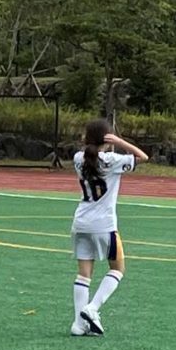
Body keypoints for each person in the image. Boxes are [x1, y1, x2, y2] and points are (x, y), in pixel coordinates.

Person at [70, 118, 149, 336]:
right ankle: (92, 308)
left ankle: (78, 324)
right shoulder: (112, 159)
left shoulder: (79, 158)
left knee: (84, 274)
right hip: (104, 224)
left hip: (81, 222)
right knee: (118, 268)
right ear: (107, 138)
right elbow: (143, 157)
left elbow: (90, 154)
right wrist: (120, 141)